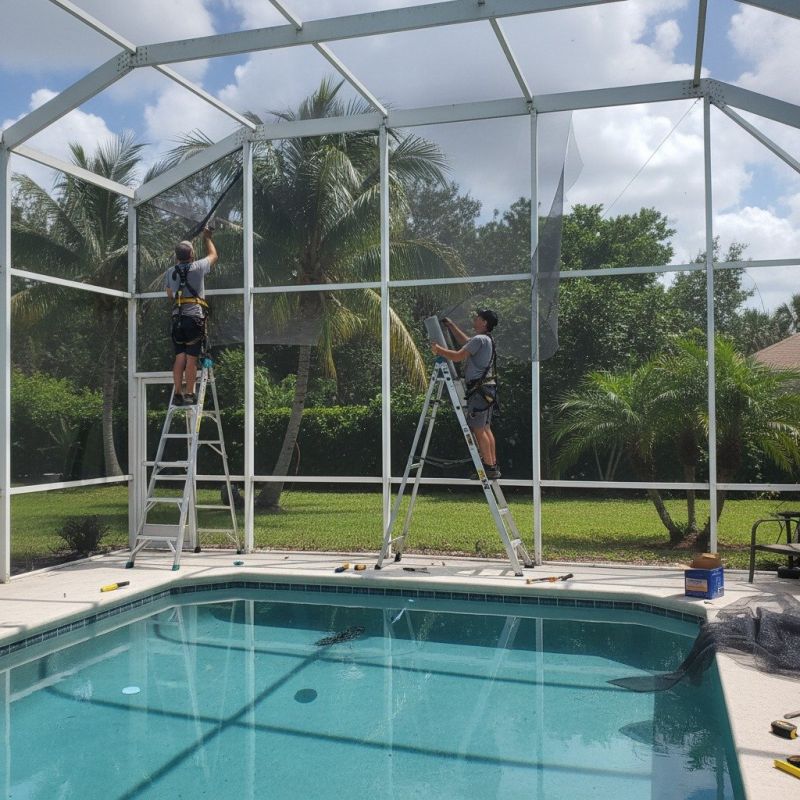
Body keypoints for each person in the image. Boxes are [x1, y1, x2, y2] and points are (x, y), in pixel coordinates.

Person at [431, 308, 501, 479]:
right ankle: (492, 465)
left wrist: (438, 350)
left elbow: (457, 356)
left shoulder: (479, 339)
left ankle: (488, 467)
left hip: (479, 391)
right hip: (487, 389)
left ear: (484, 322)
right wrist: (452, 326)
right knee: (485, 428)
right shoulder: (486, 340)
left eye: (477, 318)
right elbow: (466, 342)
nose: (474, 320)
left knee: (478, 429)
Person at [165, 227, 217, 405]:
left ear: (177, 256)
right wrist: (207, 238)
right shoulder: (198, 267)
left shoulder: (170, 272)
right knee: (191, 360)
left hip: (177, 320)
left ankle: (178, 394)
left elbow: (170, 295)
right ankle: (189, 394)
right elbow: (213, 255)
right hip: (193, 318)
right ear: (192, 254)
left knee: (180, 357)